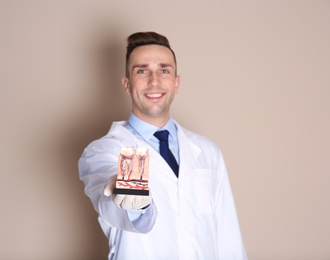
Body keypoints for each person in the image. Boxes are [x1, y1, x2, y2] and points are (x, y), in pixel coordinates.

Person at [78, 31, 247, 260]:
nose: (154, 81)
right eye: (142, 70)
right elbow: (109, 201)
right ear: (127, 84)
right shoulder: (103, 151)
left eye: (164, 71)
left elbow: (229, 240)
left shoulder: (208, 152)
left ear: (176, 83)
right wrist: (123, 191)